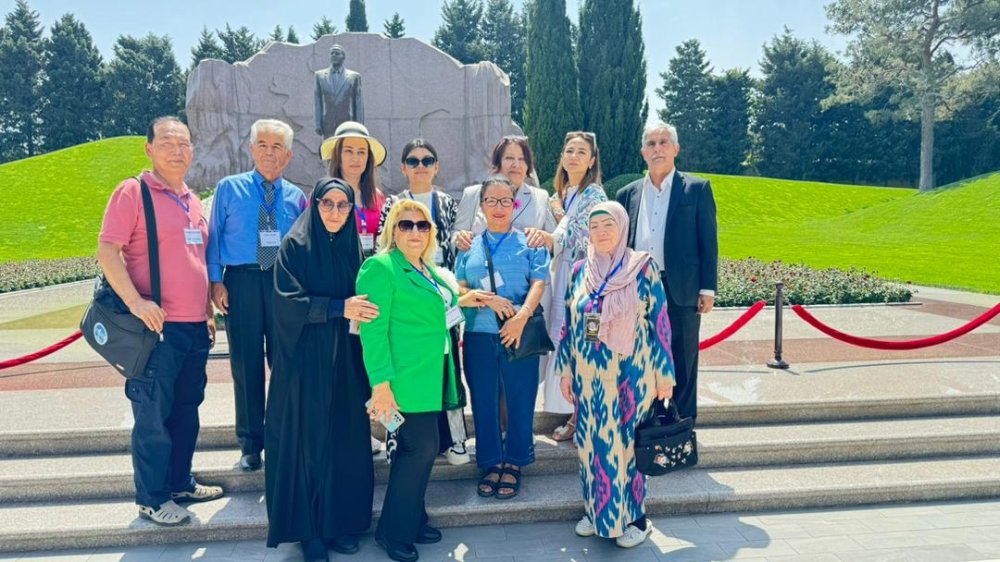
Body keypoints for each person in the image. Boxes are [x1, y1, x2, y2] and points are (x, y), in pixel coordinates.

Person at [96, 116, 223, 526]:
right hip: (155, 329)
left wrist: (206, 312)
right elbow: (107, 250)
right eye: (167, 142)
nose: (177, 150)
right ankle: (152, 498)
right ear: (149, 148)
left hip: (193, 327)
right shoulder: (133, 192)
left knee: (186, 409)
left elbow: (195, 261)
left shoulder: (193, 200)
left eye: (184, 143)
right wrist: (136, 302)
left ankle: (180, 482)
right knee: (152, 415)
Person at [265, 178, 379, 562]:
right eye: (327, 204)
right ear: (314, 206)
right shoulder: (294, 247)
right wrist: (337, 308)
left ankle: (338, 523)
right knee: (308, 444)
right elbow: (286, 304)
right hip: (305, 363)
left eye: (342, 205)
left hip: (344, 360)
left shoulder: (352, 248)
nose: (334, 212)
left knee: (343, 440)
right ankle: (309, 530)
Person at [556, 201, 675, 548]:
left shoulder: (642, 268)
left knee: (626, 448)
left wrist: (664, 375)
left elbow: (660, 323)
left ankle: (636, 518)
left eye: (608, 224)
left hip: (631, 376)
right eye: (595, 227)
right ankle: (596, 513)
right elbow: (569, 325)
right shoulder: (581, 270)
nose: (601, 232)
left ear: (622, 228)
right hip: (588, 378)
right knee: (591, 447)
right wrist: (565, 371)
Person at [358, 199, 467, 562]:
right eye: (406, 225)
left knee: (424, 449)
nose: (415, 232)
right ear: (393, 230)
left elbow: (443, 308)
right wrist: (381, 386)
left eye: (422, 225)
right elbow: (373, 332)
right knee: (417, 450)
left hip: (431, 377)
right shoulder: (381, 267)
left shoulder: (427, 268)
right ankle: (393, 532)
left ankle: (414, 519)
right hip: (401, 381)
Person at [206, 119, 307, 472]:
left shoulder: (296, 197)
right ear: (251, 149)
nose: (269, 152)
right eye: (262, 145)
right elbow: (214, 237)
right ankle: (250, 444)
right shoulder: (229, 188)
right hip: (242, 282)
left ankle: (285, 435)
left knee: (286, 362)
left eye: (277, 146)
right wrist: (215, 281)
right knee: (245, 364)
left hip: (282, 284)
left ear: (288, 155)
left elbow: (303, 247)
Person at [615, 122, 718, 424]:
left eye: (663, 142)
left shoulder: (696, 189)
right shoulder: (627, 194)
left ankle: (682, 428)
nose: (657, 148)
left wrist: (707, 289)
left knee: (682, 360)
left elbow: (708, 241)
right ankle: (647, 424)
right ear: (643, 152)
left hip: (681, 289)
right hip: (638, 289)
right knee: (642, 357)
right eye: (651, 144)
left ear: (676, 149)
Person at [375, 139, 470, 466]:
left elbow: (456, 247)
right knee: (401, 373)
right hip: (405, 298)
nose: (420, 166)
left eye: (427, 160)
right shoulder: (394, 203)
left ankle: (454, 439)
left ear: (436, 166)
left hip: (440, 295)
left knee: (448, 368)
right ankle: (395, 439)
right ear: (403, 167)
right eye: (413, 161)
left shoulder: (446, 203)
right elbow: (383, 245)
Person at [455, 175, 550, 501]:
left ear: (515, 204)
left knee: (521, 398)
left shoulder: (530, 242)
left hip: (519, 333)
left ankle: (515, 461)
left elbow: (539, 282)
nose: (498, 207)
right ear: (481, 206)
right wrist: (487, 299)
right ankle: (491, 461)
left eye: (505, 200)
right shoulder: (469, 246)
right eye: (491, 201)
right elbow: (459, 288)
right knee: (483, 399)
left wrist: (521, 317)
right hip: (479, 336)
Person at [538, 132, 607, 442]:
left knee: (582, 343)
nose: (574, 156)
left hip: (584, 277)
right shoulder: (560, 194)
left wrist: (554, 233)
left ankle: (581, 416)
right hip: (560, 273)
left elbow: (585, 235)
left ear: (591, 160)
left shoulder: (594, 194)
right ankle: (569, 407)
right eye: (569, 151)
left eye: (581, 152)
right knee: (562, 341)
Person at [452, 136, 557, 252]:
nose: (516, 164)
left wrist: (543, 237)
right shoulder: (472, 194)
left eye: (522, 159)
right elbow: (456, 234)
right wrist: (460, 239)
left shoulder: (541, 197)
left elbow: (555, 242)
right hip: (483, 262)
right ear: (497, 164)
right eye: (509, 158)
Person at [321, 120, 387, 259]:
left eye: (361, 152)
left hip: (371, 269)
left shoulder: (378, 197)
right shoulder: (322, 196)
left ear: (368, 158)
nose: (355, 158)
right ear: (338, 155)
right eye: (348, 151)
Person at [314, 44, 365, 137]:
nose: (334, 55)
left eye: (337, 53)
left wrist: (359, 125)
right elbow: (318, 101)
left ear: (343, 57)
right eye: (332, 53)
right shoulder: (319, 76)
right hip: (328, 124)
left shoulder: (354, 76)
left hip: (348, 123)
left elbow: (358, 103)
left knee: (346, 146)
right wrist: (318, 124)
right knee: (329, 146)